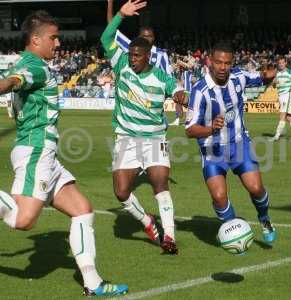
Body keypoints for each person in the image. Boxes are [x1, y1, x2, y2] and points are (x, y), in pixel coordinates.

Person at [0, 10, 127, 296]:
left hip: (45, 153)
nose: (58, 43)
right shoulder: (34, 66)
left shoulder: (29, 63)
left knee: (82, 210)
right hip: (36, 150)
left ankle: (93, 283)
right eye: (53, 38)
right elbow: (11, 83)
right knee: (23, 220)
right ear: (35, 39)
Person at [101, 0, 186, 254]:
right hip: (126, 138)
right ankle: (147, 222)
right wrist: (119, 15)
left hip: (154, 139)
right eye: (131, 56)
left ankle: (169, 236)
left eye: (137, 56)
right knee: (121, 192)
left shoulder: (162, 77)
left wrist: (182, 96)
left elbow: (178, 90)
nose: (133, 60)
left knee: (160, 186)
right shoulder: (121, 64)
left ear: (148, 57)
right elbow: (106, 37)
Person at [185, 42, 277, 246]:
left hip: (238, 144)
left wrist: (269, 74)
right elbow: (190, 130)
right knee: (219, 197)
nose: (223, 67)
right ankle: (236, 234)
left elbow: (262, 77)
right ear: (210, 62)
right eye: (218, 62)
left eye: (227, 63)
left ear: (231, 63)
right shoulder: (199, 91)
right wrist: (210, 128)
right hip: (212, 150)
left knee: (256, 188)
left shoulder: (239, 77)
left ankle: (264, 219)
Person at [106, 0, 183, 126]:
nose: (147, 38)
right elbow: (111, 30)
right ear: (139, 37)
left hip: (153, 110)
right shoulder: (131, 48)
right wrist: (111, 4)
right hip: (131, 111)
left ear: (154, 38)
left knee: (159, 142)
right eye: (144, 36)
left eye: (150, 36)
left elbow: (171, 81)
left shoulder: (161, 55)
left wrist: (178, 103)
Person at [270, 56, 291, 141]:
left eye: (282, 62)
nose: (280, 64)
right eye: (279, 63)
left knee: (282, 115)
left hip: (287, 95)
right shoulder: (277, 73)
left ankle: (276, 136)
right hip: (281, 96)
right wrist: (274, 83)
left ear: (285, 63)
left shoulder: (290, 73)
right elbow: (274, 86)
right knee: (289, 117)